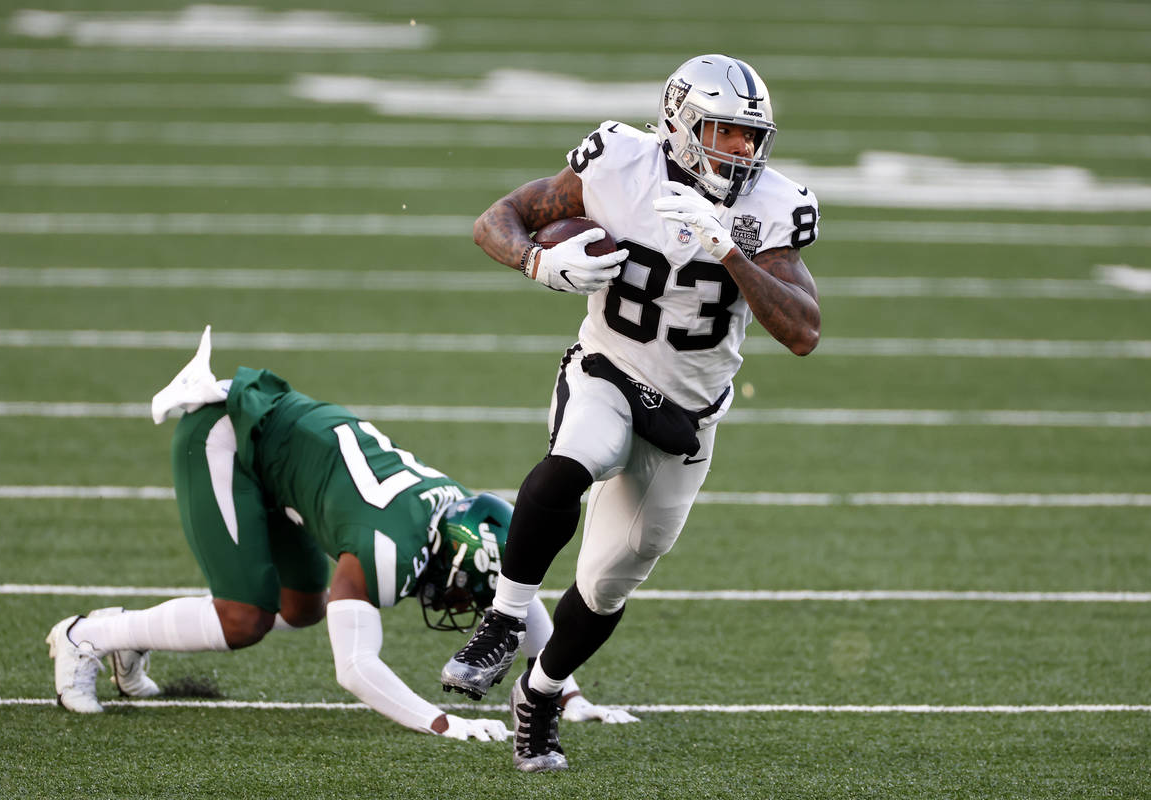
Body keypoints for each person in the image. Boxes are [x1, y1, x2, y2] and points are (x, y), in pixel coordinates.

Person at [440, 54, 821, 771]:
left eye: (750, 137)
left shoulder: (770, 207)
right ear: (679, 124)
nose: (739, 151)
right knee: (572, 463)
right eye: (723, 132)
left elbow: (803, 332)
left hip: (689, 414)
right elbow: (500, 219)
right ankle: (501, 619)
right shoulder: (618, 160)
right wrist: (536, 262)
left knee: (608, 583)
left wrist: (729, 251)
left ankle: (541, 694)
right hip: (607, 369)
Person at [46, 326, 636, 739]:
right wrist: (441, 722)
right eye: (465, 592)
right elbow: (354, 667)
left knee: (302, 606)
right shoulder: (389, 547)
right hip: (227, 437)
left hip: (286, 455)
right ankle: (86, 635)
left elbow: (519, 601)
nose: (461, 603)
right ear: (451, 559)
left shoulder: (453, 518)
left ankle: (132, 637)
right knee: (244, 618)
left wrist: (568, 695)